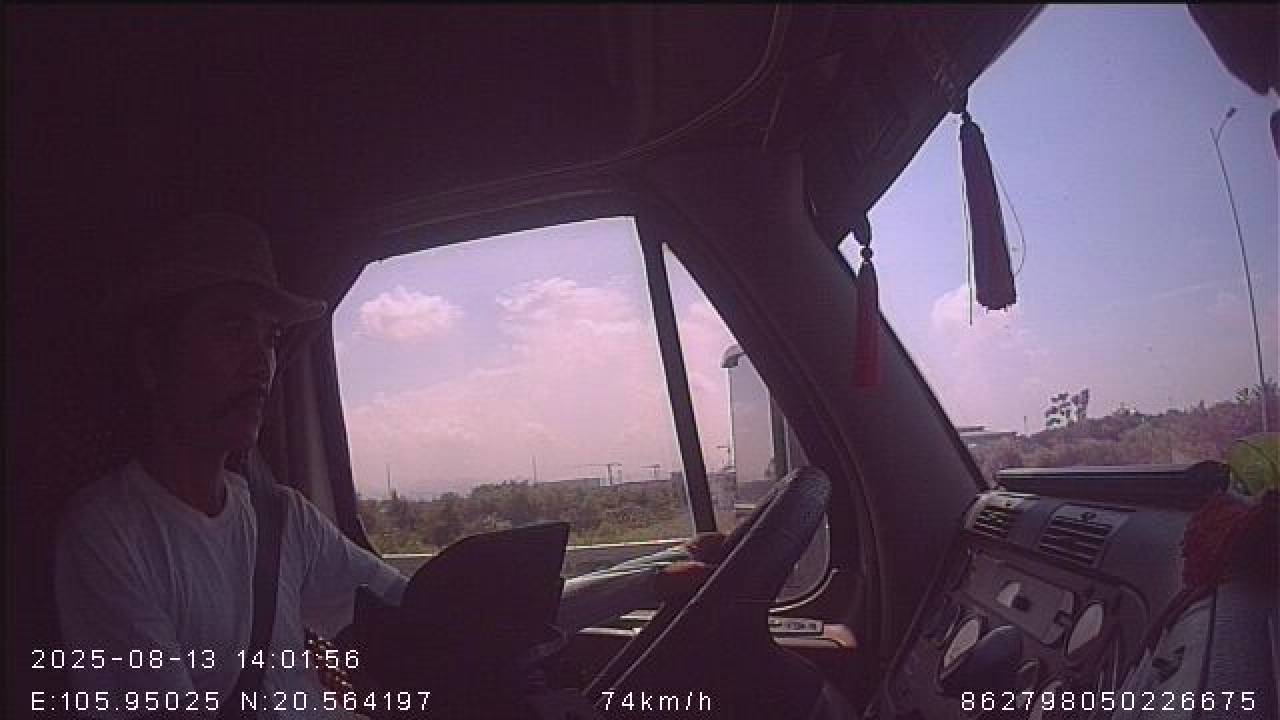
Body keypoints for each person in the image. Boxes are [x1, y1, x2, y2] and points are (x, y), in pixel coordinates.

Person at [55, 213, 724, 719]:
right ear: (153, 360)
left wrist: (651, 576)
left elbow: (437, 618)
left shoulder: (281, 517)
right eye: (232, 330)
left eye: (270, 338)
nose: (261, 361)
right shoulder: (109, 536)